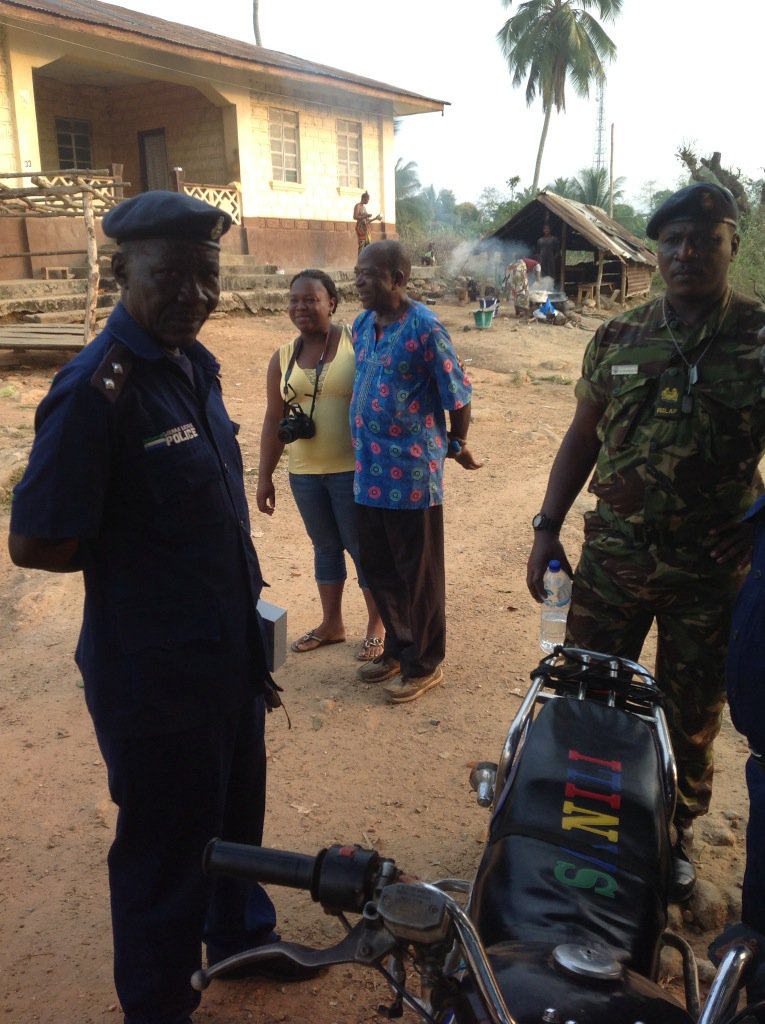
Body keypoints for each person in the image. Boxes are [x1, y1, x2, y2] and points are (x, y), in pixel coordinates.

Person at [7, 191, 311, 1024]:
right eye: (170, 275)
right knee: (165, 851)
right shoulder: (95, 391)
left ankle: (240, 937)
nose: (193, 294)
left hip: (226, 654)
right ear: (122, 271)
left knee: (234, 817)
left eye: (206, 276)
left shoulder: (191, 364)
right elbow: (35, 542)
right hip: (157, 673)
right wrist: (136, 556)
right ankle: (157, 1006)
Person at [525, 182, 765, 903]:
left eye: (704, 240)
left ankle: (673, 832)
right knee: (589, 692)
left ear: (731, 246)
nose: (686, 253)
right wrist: (546, 527)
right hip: (615, 559)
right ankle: (586, 821)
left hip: (709, 572)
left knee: (691, 714)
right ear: (657, 250)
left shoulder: (758, 337)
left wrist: (758, 526)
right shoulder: (618, 336)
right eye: (672, 241)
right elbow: (581, 438)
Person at [351, 240, 482, 704]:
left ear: (398, 279)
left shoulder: (426, 327)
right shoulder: (362, 325)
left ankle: (424, 663)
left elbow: (457, 394)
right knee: (379, 568)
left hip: (410, 477)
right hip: (368, 474)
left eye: (368, 274)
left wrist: (457, 443)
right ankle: (398, 648)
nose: (358, 281)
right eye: (357, 272)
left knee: (418, 576)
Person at [257, 269, 384, 660]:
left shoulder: (355, 341)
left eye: (311, 299)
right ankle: (332, 624)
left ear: (331, 303)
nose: (301, 307)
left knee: (362, 548)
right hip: (305, 474)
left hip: (353, 470)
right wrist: (264, 476)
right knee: (325, 547)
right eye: (294, 300)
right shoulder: (282, 358)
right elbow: (273, 418)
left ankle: (377, 626)